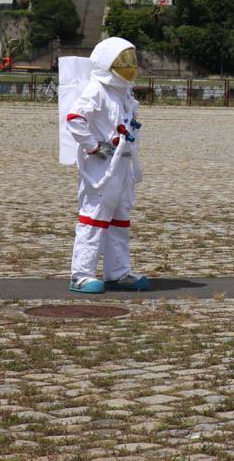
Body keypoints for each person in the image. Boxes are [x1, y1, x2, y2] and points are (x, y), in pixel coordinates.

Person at [65, 36, 150, 294]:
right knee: (94, 217)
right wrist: (93, 146)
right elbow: (75, 118)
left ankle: (118, 272)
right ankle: (81, 274)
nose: (129, 66)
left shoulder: (123, 91)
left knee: (120, 218)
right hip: (102, 165)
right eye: (122, 61)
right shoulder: (97, 89)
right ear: (105, 63)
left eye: (130, 60)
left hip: (121, 163)